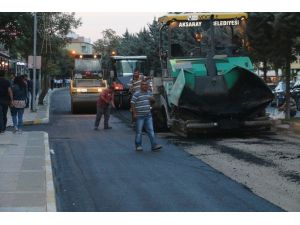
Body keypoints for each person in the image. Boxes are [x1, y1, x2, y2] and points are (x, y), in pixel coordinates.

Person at [131, 80, 162, 152]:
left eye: (146, 85)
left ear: (147, 86)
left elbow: (153, 102)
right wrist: (134, 113)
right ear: (141, 86)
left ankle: (154, 145)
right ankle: (138, 145)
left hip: (148, 115)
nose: (145, 86)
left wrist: (152, 100)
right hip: (139, 116)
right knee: (139, 132)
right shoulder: (137, 94)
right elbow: (132, 103)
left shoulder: (149, 93)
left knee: (151, 131)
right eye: (143, 85)